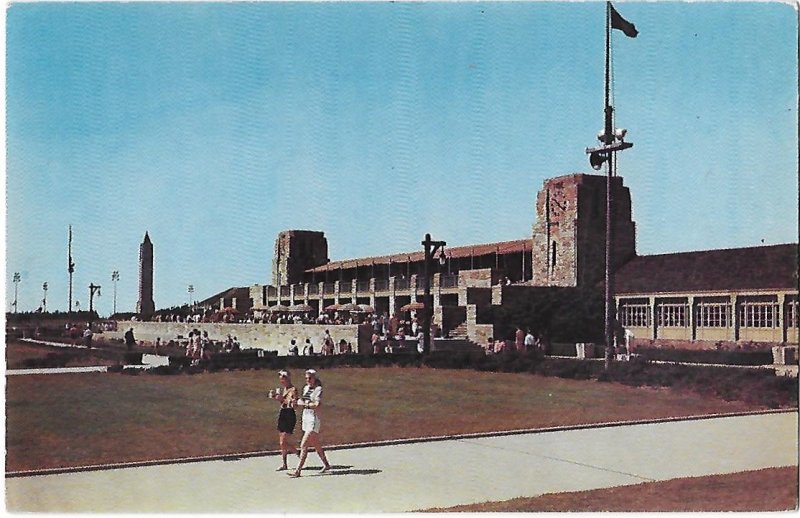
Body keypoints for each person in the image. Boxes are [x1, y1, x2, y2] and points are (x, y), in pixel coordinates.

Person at [289, 369, 331, 478]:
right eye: (306, 378)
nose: (308, 380)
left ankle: (297, 471)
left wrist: (306, 404)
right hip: (306, 417)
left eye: (310, 378)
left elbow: (317, 404)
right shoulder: (306, 388)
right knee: (316, 444)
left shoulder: (318, 389)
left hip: (314, 418)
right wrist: (296, 403)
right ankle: (327, 465)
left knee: (304, 444)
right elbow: (302, 401)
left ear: (314, 378)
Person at [269, 370, 299, 471]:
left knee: (283, 442)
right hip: (283, 413)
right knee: (281, 440)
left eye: (283, 378)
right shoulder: (284, 389)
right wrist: (275, 397)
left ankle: (297, 452)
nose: (282, 381)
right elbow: (283, 403)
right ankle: (284, 463)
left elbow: (293, 405)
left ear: (287, 378)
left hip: (289, 414)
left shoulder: (293, 390)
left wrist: (282, 399)